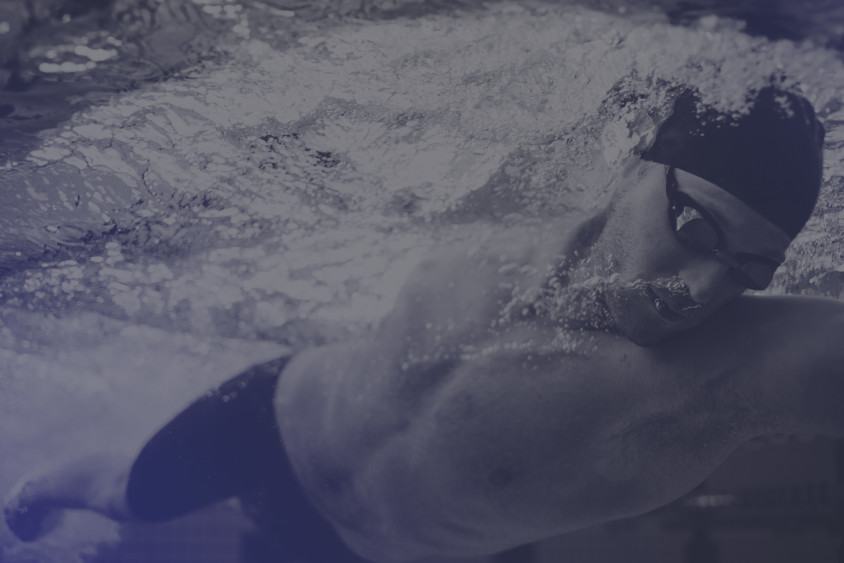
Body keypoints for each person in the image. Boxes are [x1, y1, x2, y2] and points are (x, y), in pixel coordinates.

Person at [4, 85, 838, 563]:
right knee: (126, 496)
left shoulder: (728, 372)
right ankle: (43, 489)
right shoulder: (518, 192)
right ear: (636, 167)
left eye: (747, 270)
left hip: (358, 554)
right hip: (274, 414)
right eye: (695, 228)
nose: (701, 289)